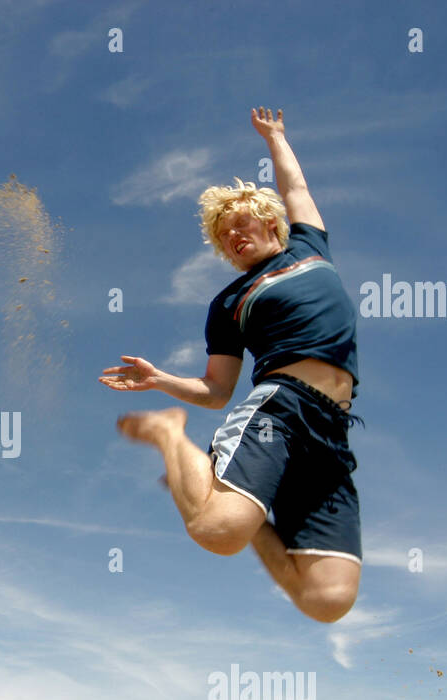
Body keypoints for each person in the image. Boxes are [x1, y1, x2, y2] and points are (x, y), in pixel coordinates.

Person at [100, 107, 362, 623]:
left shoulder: (309, 247)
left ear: (269, 224)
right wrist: (160, 381)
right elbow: (218, 390)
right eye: (224, 237)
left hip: (332, 431)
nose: (233, 238)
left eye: (240, 225)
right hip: (280, 411)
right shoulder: (230, 302)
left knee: (326, 600)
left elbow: (296, 188)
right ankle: (169, 435)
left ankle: (255, 512)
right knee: (216, 532)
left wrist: (276, 139)